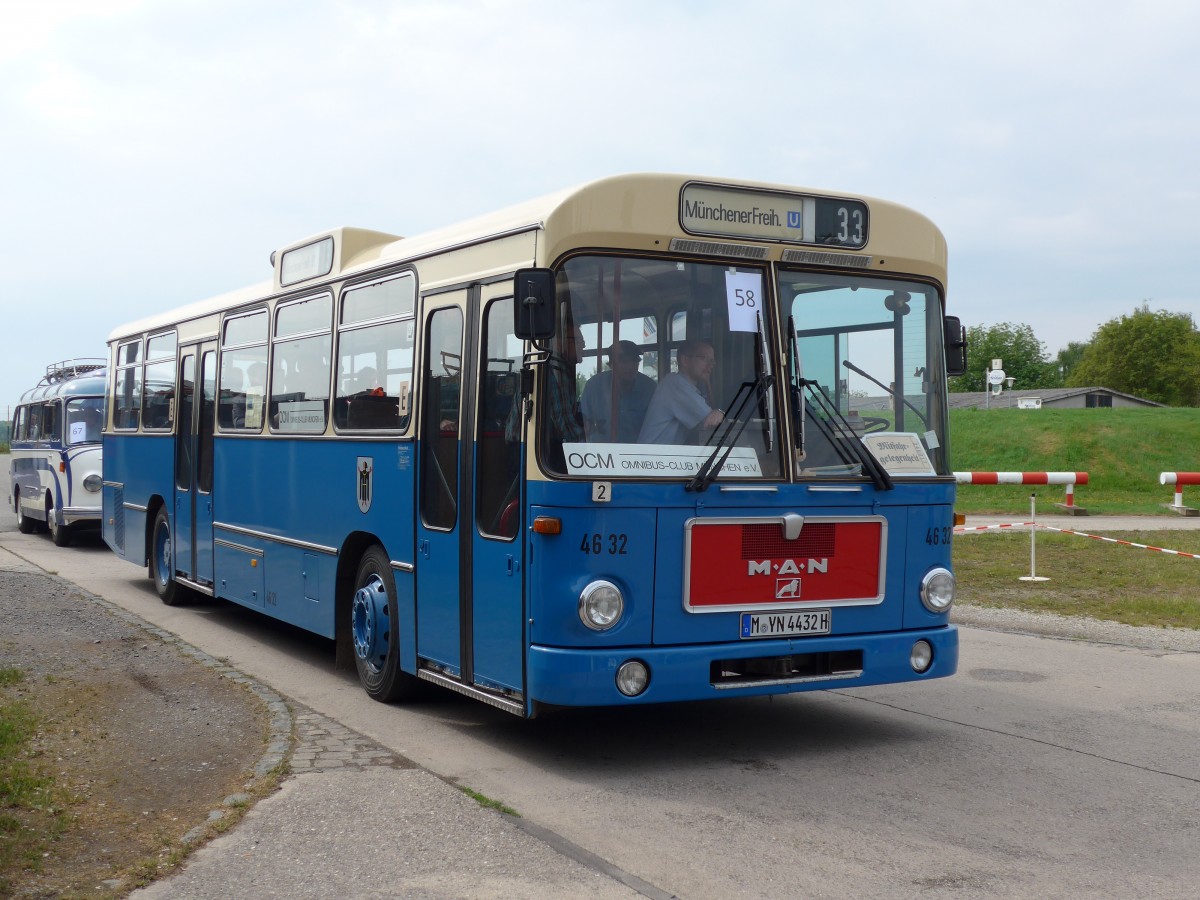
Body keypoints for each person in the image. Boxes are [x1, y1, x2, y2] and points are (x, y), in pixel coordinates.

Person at [637, 339, 724, 444]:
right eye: (703, 358)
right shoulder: (674, 383)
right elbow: (711, 420)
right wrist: (719, 412)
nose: (710, 365)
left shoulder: (689, 388)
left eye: (712, 361)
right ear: (685, 360)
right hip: (651, 457)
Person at [580, 340, 655, 442]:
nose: (630, 366)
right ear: (611, 364)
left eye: (634, 361)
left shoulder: (650, 388)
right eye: (624, 361)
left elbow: (656, 429)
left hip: (638, 455)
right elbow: (583, 426)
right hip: (599, 455)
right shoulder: (593, 387)